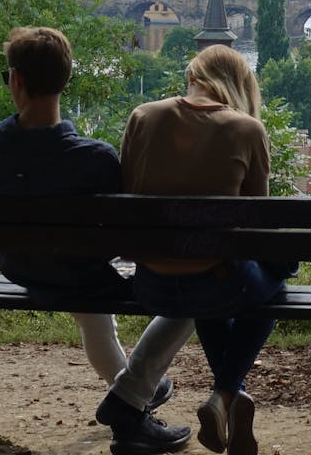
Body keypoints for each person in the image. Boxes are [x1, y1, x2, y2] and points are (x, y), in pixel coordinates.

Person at [0, 27, 173, 407]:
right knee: (90, 295)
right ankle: (135, 392)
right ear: (66, 80)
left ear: (16, 80)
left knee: (90, 305)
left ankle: (136, 393)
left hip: (19, 265)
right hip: (79, 272)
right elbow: (121, 232)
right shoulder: (96, 159)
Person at [96, 45, 290, 455]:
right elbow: (260, 227)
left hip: (152, 285)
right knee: (269, 289)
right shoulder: (246, 130)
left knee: (206, 282)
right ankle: (224, 395)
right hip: (217, 286)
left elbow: (128, 197)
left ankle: (225, 398)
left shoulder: (143, 116)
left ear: (192, 76)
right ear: (239, 87)